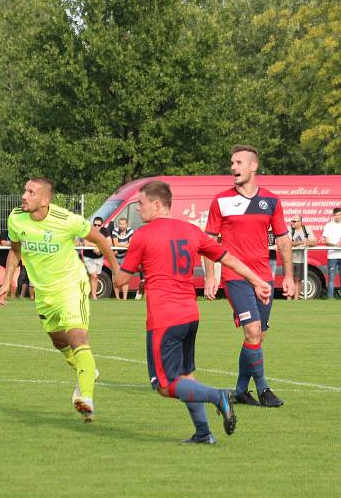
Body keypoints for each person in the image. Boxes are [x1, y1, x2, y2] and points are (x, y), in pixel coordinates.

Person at [114, 181, 272, 443]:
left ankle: (217, 396)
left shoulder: (143, 235)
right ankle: (203, 433)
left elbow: (119, 281)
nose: (138, 209)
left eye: (140, 204)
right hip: (190, 315)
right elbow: (228, 258)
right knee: (186, 377)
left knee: (164, 386)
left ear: (156, 204)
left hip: (164, 318)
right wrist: (257, 281)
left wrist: (108, 252)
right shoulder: (191, 231)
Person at [0, 177, 118, 422]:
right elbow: (15, 250)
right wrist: (7, 280)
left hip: (72, 286)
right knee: (59, 341)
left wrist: (116, 270)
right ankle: (87, 371)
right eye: (24, 190)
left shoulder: (67, 220)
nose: (24, 195)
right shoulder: (16, 218)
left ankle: (86, 396)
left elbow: (100, 239)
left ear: (45, 199)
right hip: (43, 293)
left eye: (31, 192)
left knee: (77, 337)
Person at [203, 145, 294, 408]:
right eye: (232, 162)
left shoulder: (272, 201)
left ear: (253, 166)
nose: (233, 167)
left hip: (264, 278)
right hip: (235, 277)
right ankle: (264, 389)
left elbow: (284, 240)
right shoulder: (220, 201)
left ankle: (241, 390)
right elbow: (208, 241)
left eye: (239, 162)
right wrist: (211, 276)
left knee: (257, 336)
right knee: (253, 330)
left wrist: (288, 275)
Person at [321, 207, 341, 300]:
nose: (338, 217)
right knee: (331, 278)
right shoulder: (328, 226)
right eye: (336, 215)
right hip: (332, 256)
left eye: (339, 214)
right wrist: (336, 245)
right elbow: (326, 242)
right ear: (333, 216)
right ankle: (330, 297)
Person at [287, 215, 316, 300]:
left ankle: (296, 300)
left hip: (301, 259)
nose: (292, 223)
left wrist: (308, 243)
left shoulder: (306, 229)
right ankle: (288, 300)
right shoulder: (289, 229)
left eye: (294, 221)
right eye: (291, 221)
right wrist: (301, 242)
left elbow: (314, 242)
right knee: (289, 279)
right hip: (289, 260)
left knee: (298, 280)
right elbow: (288, 242)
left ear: (300, 222)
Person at [81, 217, 110, 299]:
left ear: (102, 225)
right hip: (88, 257)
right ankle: (94, 296)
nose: (96, 226)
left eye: (98, 225)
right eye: (95, 225)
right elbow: (86, 243)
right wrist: (96, 246)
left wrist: (98, 247)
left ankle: (92, 295)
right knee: (93, 275)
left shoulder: (104, 231)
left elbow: (109, 243)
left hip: (99, 257)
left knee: (96, 276)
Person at [111, 217, 133, 299]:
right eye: (120, 224)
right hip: (115, 257)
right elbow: (116, 244)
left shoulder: (130, 231)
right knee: (115, 277)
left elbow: (131, 244)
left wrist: (123, 245)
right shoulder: (115, 231)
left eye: (123, 224)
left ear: (126, 225)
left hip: (125, 257)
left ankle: (124, 298)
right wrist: (126, 245)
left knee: (125, 277)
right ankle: (117, 298)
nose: (121, 226)